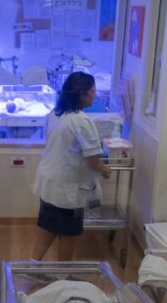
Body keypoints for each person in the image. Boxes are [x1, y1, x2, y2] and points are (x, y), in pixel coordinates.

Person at [31, 72, 110, 261]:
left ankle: (31, 266)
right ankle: (64, 277)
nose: (95, 95)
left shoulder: (56, 114)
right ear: (82, 94)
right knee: (69, 235)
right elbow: (93, 161)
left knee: (48, 227)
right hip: (67, 187)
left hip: (49, 181)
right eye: (93, 91)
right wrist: (106, 170)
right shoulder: (82, 121)